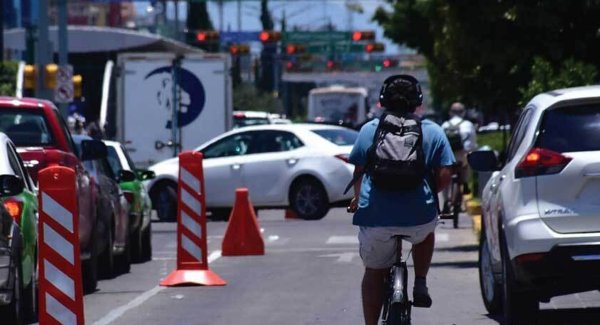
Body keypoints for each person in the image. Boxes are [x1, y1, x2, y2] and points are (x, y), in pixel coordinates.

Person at [347, 74, 455, 325]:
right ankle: (420, 283)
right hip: (419, 217)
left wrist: (356, 199)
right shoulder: (433, 131)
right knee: (427, 232)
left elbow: (359, 173)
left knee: (373, 272)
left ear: (383, 100)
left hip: (376, 218)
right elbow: (445, 175)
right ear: (417, 101)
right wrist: (428, 195)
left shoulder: (369, 130)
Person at [441, 102, 478, 199]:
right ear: (463, 112)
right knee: (466, 165)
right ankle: (465, 183)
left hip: (447, 158)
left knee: (445, 177)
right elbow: (473, 144)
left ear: (450, 113)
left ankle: (446, 201)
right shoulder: (468, 124)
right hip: (462, 157)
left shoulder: (444, 125)